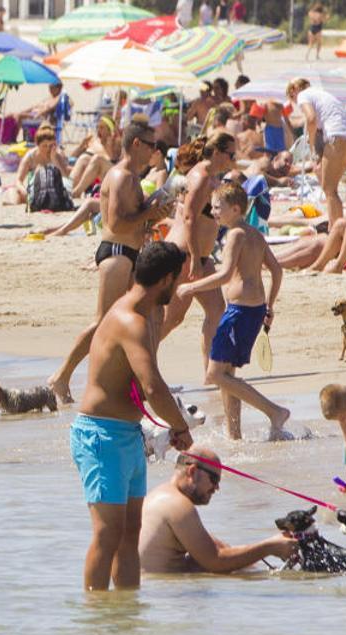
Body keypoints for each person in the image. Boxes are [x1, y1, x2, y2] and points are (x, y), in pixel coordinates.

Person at [71, 241, 194, 591]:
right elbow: (153, 386)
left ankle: (127, 611)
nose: (179, 286)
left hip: (127, 434)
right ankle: (97, 613)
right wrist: (180, 427)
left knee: (129, 534)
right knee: (107, 534)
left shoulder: (148, 314)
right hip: (100, 436)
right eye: (178, 280)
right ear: (165, 279)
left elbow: (146, 386)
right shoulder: (130, 320)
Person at [48, 118, 173, 403]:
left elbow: (134, 220)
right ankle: (61, 376)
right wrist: (148, 213)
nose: (155, 151)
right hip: (116, 253)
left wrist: (154, 214)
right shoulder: (120, 176)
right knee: (103, 322)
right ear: (137, 144)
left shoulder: (132, 177)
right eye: (151, 145)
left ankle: (141, 380)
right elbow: (115, 223)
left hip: (129, 253)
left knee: (150, 314)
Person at [177, 183, 288, 440]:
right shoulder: (255, 233)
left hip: (239, 312)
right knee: (227, 375)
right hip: (254, 309)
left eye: (218, 208)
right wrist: (270, 305)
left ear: (236, 209)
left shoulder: (235, 235)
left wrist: (191, 287)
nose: (213, 212)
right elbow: (277, 270)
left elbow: (225, 275)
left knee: (215, 374)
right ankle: (234, 435)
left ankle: (275, 412)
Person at [139, 449, 297, 573]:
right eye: (214, 479)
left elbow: (219, 548)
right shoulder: (179, 506)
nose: (217, 488)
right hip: (164, 594)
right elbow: (216, 561)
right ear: (192, 471)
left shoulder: (160, 496)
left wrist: (261, 566)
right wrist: (269, 547)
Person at [162, 135, 235, 366]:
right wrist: (194, 258)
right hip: (185, 255)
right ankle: (133, 362)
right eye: (231, 155)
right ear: (217, 152)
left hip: (201, 258)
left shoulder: (211, 177)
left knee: (216, 310)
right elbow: (189, 218)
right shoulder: (200, 176)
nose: (233, 160)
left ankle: (211, 372)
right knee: (172, 318)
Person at [288, 77, 346, 226]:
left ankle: (335, 229)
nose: (296, 103)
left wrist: (310, 145)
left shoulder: (303, 95)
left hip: (336, 137)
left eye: (292, 98)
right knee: (332, 190)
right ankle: (337, 227)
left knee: (329, 190)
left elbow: (311, 119)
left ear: (294, 90)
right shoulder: (321, 94)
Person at [3, 124, 70, 206]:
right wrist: (24, 191)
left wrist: (55, 159)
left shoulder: (59, 154)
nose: (48, 149)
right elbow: (18, 180)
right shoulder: (30, 156)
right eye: (44, 146)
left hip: (54, 192)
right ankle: (13, 205)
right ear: (37, 145)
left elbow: (65, 178)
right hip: (36, 191)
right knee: (13, 190)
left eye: (51, 145)